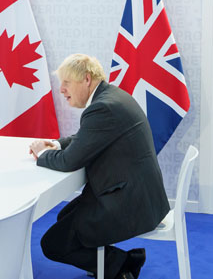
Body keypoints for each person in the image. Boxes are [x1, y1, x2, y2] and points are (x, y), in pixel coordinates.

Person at [30, 54, 170, 279]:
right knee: (65, 217)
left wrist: (42, 153)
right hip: (139, 193)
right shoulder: (111, 97)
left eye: (67, 82)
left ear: (86, 79)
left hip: (130, 202)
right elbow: (86, 137)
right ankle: (113, 265)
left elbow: (68, 161)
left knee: (52, 243)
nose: (61, 89)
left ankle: (124, 265)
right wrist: (56, 144)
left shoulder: (103, 108)